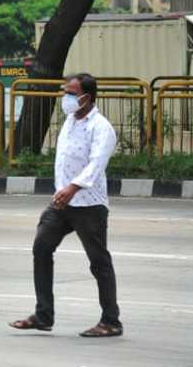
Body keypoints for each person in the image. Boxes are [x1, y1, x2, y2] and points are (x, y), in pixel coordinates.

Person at [9, 73, 122, 337]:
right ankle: (43, 315)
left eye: (71, 93)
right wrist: (62, 191)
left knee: (98, 261)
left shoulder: (101, 127)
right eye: (65, 92)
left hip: (88, 204)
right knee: (41, 248)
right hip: (61, 203)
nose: (66, 98)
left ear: (87, 97)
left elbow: (96, 165)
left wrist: (73, 187)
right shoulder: (70, 121)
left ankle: (111, 321)